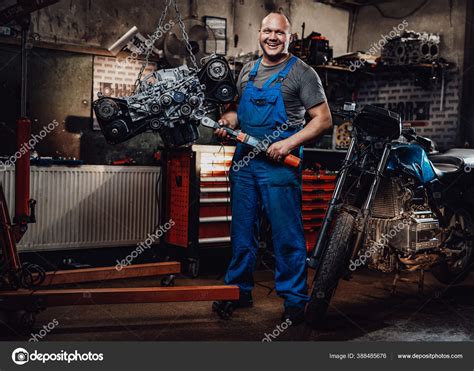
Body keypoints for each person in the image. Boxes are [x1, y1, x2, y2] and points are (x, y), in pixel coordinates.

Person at [213, 12, 332, 324]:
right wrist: (228, 121)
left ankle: (294, 299)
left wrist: (288, 144)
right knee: (241, 232)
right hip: (244, 163)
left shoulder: (303, 73)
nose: (273, 37)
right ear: (260, 33)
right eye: (268, 31)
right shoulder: (247, 71)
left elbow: (323, 119)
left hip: (279, 165)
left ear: (289, 37)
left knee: (286, 235)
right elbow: (238, 111)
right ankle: (237, 290)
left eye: (280, 32)